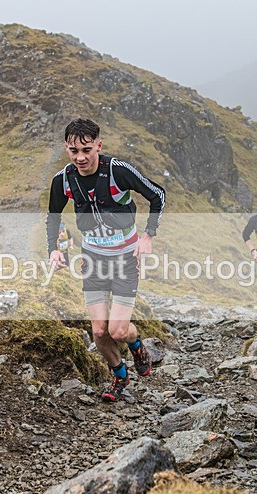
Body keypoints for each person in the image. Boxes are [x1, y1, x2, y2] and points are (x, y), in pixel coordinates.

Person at [47, 118, 165, 402]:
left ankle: (137, 345)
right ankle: (119, 375)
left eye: (87, 150)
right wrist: (53, 249)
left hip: (126, 258)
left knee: (118, 330)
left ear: (98, 145)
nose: (81, 157)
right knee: (99, 330)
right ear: (67, 148)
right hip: (93, 259)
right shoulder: (63, 179)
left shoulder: (117, 171)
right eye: (74, 151)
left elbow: (157, 194)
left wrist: (148, 235)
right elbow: (53, 215)